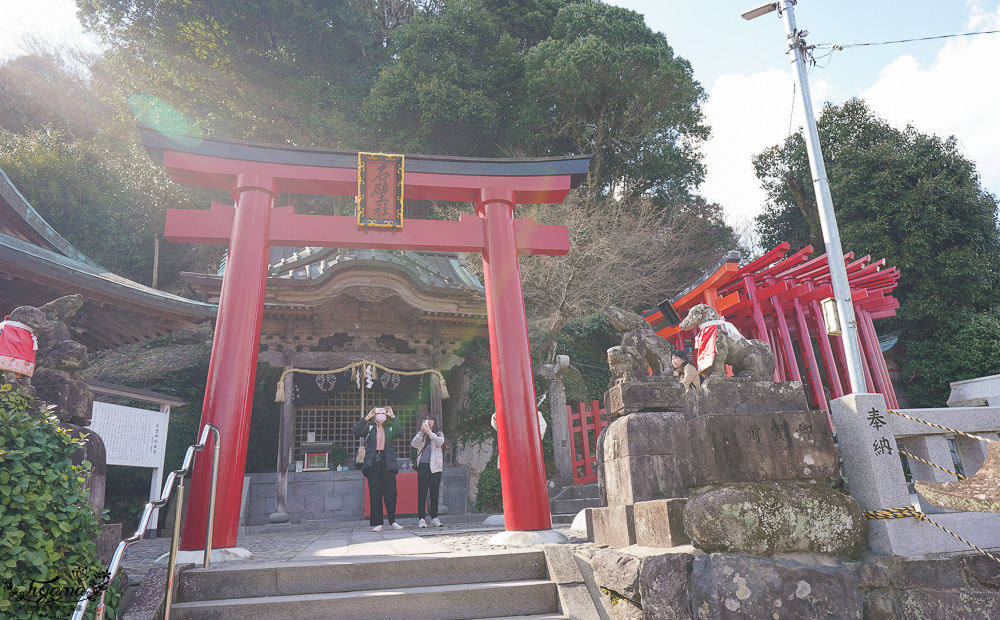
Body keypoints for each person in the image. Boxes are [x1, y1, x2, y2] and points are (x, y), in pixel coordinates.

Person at [353, 406, 403, 531]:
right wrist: (367, 417)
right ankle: (378, 523)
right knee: (375, 494)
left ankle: (392, 521)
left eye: (383, 413)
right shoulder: (370, 428)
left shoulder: (390, 428)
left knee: (391, 493)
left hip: (388, 462)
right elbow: (356, 430)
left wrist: (393, 415)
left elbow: (400, 431)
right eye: (378, 413)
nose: (381, 415)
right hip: (373, 463)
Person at [411, 416, 445, 528]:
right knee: (422, 492)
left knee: (434, 492)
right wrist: (421, 433)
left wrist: (430, 432)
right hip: (423, 466)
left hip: (435, 467)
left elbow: (440, 442)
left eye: (431, 420)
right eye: (426, 420)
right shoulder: (420, 434)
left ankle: (434, 517)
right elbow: (414, 444)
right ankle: (421, 518)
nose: (429, 422)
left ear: (434, 422)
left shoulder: (438, 434)